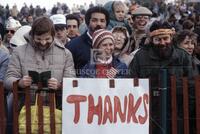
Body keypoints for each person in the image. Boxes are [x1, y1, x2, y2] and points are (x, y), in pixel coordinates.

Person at [128, 20, 195, 134]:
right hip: (148, 116)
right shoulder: (140, 57)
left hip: (177, 116)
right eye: (158, 40)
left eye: (165, 38)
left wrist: (185, 114)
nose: (162, 43)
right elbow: (132, 84)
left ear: (171, 38)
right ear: (152, 40)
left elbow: (192, 87)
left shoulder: (183, 56)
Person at [4, 16, 76, 110]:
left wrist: (59, 85)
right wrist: (20, 83)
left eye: (47, 39)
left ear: (53, 35)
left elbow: (72, 81)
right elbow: (8, 79)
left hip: (56, 110)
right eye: (38, 39)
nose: (43, 42)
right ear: (32, 35)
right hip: (25, 110)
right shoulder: (19, 52)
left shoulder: (65, 53)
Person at [66, 6, 110, 76]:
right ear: (87, 22)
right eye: (94, 20)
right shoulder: (72, 45)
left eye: (102, 21)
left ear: (106, 24)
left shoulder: (111, 46)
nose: (98, 23)